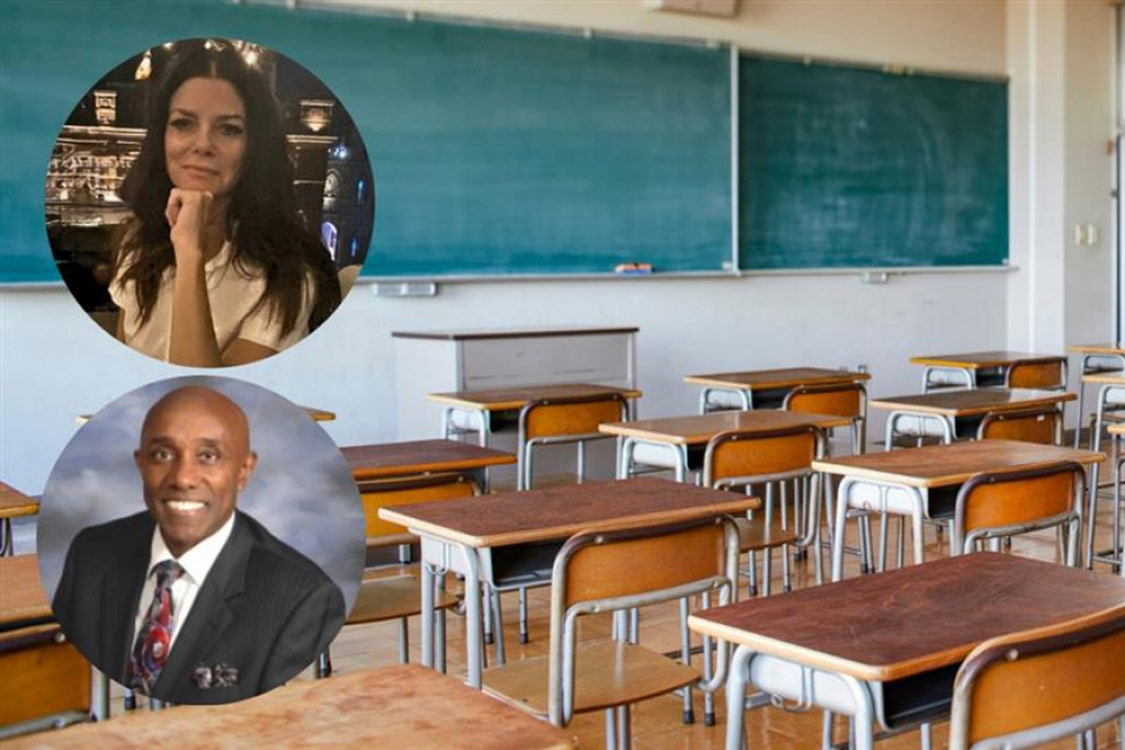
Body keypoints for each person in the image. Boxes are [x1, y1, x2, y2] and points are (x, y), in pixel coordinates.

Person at [51, 386, 346, 704]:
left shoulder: (299, 597)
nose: (183, 478)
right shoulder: (91, 554)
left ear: (243, 471)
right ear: (141, 464)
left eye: (208, 456)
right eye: (163, 455)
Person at [110, 40, 341, 366]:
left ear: (254, 148)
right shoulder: (138, 242)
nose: (203, 144)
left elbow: (205, 396)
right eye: (183, 123)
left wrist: (189, 252)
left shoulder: (288, 274)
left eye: (228, 129)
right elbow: (123, 371)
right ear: (161, 137)